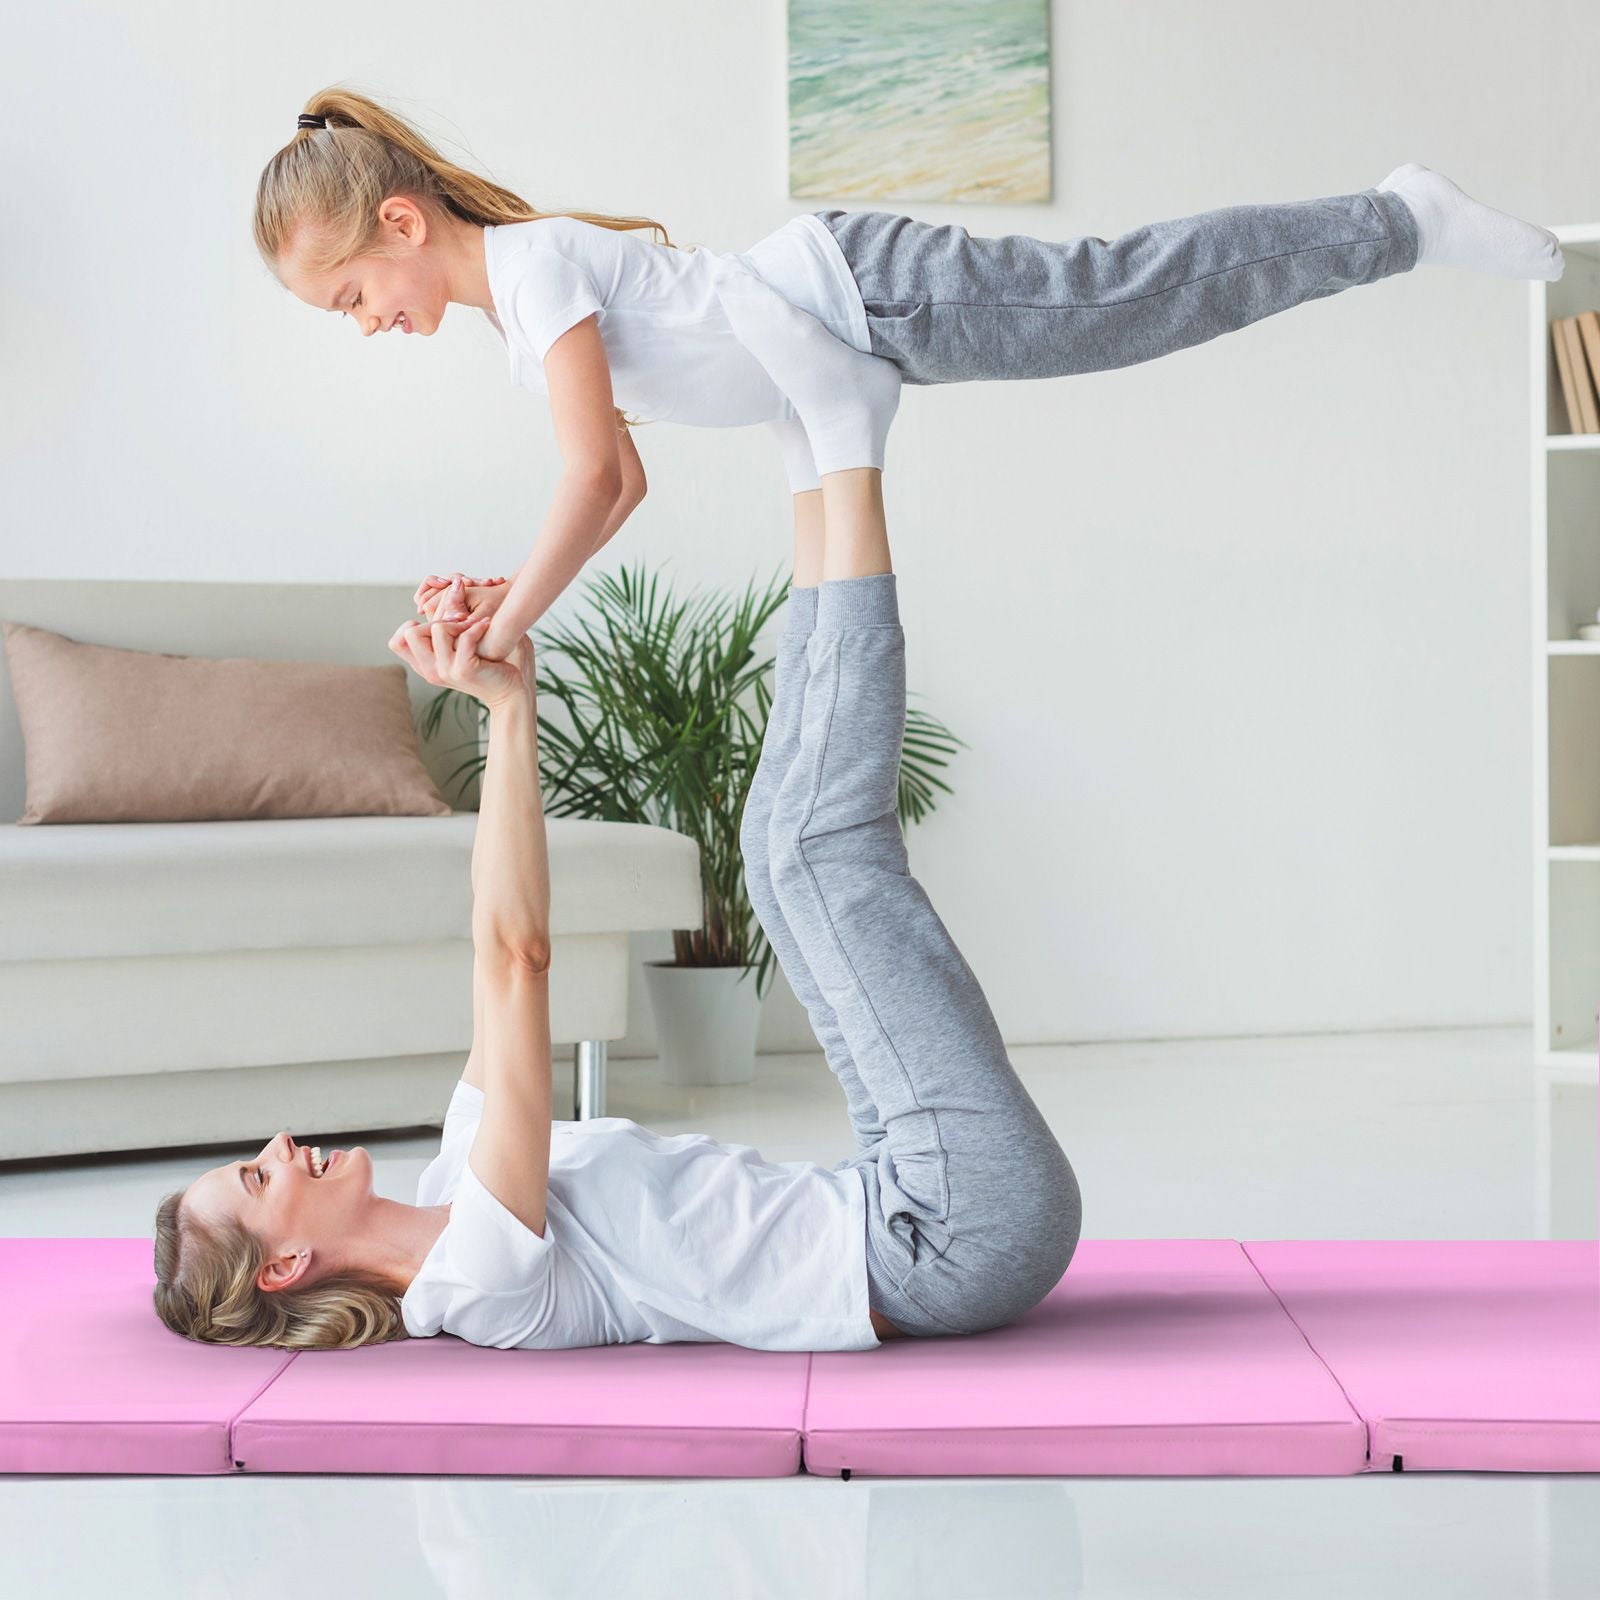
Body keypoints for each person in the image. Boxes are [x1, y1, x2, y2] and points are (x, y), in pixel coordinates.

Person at [155, 532, 1078, 1349]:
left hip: (883, 1191)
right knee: (817, 854)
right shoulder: (475, 1278)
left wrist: (510, 683)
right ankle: (842, 460)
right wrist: (507, 713)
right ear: (285, 1266)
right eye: (255, 1175)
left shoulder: (453, 1177)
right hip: (945, 1237)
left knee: (772, 852)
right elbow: (520, 959)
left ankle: (819, 475)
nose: (277, 1143)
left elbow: (494, 947)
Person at [258, 93, 1564, 647]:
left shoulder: (534, 270)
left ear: (403, 225)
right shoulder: (517, 323)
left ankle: (1397, 221)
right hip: (858, 327)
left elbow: (591, 465)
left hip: (862, 289)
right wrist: (519, 578)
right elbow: (621, 490)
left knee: (1124, 297)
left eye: (351, 296)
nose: (363, 321)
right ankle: (1390, 227)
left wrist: (511, 617)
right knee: (1129, 310)